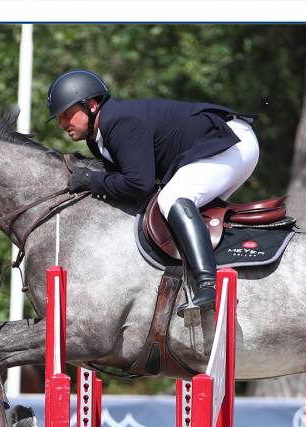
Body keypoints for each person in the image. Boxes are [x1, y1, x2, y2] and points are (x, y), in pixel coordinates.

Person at [48, 69, 259, 315]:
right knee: (179, 208)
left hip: (232, 144)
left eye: (67, 114)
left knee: (173, 199)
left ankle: (209, 286)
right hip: (220, 147)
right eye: (59, 118)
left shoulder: (118, 121)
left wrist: (91, 181)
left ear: (92, 105)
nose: (63, 124)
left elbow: (139, 185)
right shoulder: (97, 139)